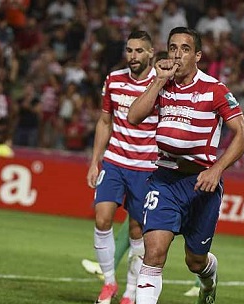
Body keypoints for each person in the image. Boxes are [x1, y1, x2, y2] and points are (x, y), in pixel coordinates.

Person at [128, 27, 244, 304]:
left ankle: (209, 282)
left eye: (185, 49)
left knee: (195, 260)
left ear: (197, 55)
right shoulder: (162, 83)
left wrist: (216, 169)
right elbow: (134, 116)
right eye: (173, 48)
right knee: (154, 253)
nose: (177, 54)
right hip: (164, 180)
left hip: (201, 184)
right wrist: (157, 82)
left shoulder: (214, 90)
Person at [87, 30, 158, 304]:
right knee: (102, 219)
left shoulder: (160, 85)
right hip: (115, 161)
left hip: (146, 167)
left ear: (151, 53)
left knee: (137, 231)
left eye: (139, 51)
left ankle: (130, 292)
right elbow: (105, 121)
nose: (133, 56)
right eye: (130, 50)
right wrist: (95, 161)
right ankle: (109, 283)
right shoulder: (114, 80)